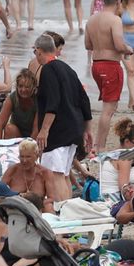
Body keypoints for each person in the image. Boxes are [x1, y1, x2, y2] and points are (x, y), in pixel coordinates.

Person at [33, 33, 92, 198]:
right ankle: (67, 209)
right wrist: (87, 130)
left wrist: (44, 130)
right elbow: (84, 100)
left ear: (39, 51)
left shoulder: (48, 69)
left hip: (59, 131)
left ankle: (62, 208)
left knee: (53, 175)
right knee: (64, 174)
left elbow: (53, 103)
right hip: (74, 128)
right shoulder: (68, 69)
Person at [85, 0, 132, 149]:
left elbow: (87, 44)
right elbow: (119, 45)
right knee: (108, 109)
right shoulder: (114, 20)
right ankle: (98, 146)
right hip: (110, 65)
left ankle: (97, 145)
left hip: (96, 66)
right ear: (118, 1)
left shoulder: (92, 19)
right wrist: (128, 49)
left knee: (109, 106)